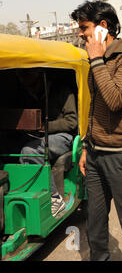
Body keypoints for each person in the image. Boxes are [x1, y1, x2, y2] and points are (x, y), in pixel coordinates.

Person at [72, 0, 122, 261]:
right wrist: (86, 147)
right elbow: (93, 107)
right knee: (95, 221)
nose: (80, 33)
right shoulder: (94, 60)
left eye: (84, 27)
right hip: (95, 155)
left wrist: (96, 59)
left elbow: (115, 99)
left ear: (102, 26)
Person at [17, 70, 77, 217]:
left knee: (29, 151)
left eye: (32, 85)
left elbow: (72, 122)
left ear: (39, 78)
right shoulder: (28, 95)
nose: (29, 89)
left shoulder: (63, 92)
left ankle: (54, 197)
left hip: (63, 136)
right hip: (38, 136)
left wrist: (45, 127)